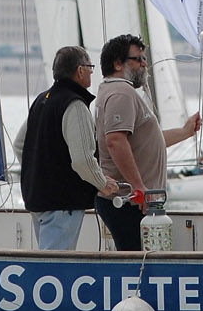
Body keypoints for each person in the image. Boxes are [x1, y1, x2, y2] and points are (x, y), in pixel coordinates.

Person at [93, 34, 202, 251]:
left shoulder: (115, 91)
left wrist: (184, 132)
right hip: (130, 201)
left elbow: (147, 141)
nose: (144, 64)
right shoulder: (121, 92)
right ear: (117, 63)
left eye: (144, 58)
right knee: (135, 263)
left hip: (133, 200)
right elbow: (115, 140)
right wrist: (139, 187)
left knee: (137, 259)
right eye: (138, 59)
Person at [17, 45, 124, 250]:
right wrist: (102, 183)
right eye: (90, 67)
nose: (92, 72)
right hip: (62, 203)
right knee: (54, 266)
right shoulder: (75, 105)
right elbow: (83, 159)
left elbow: (20, 145)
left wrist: (41, 171)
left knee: (46, 259)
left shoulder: (41, 100)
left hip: (37, 198)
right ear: (80, 70)